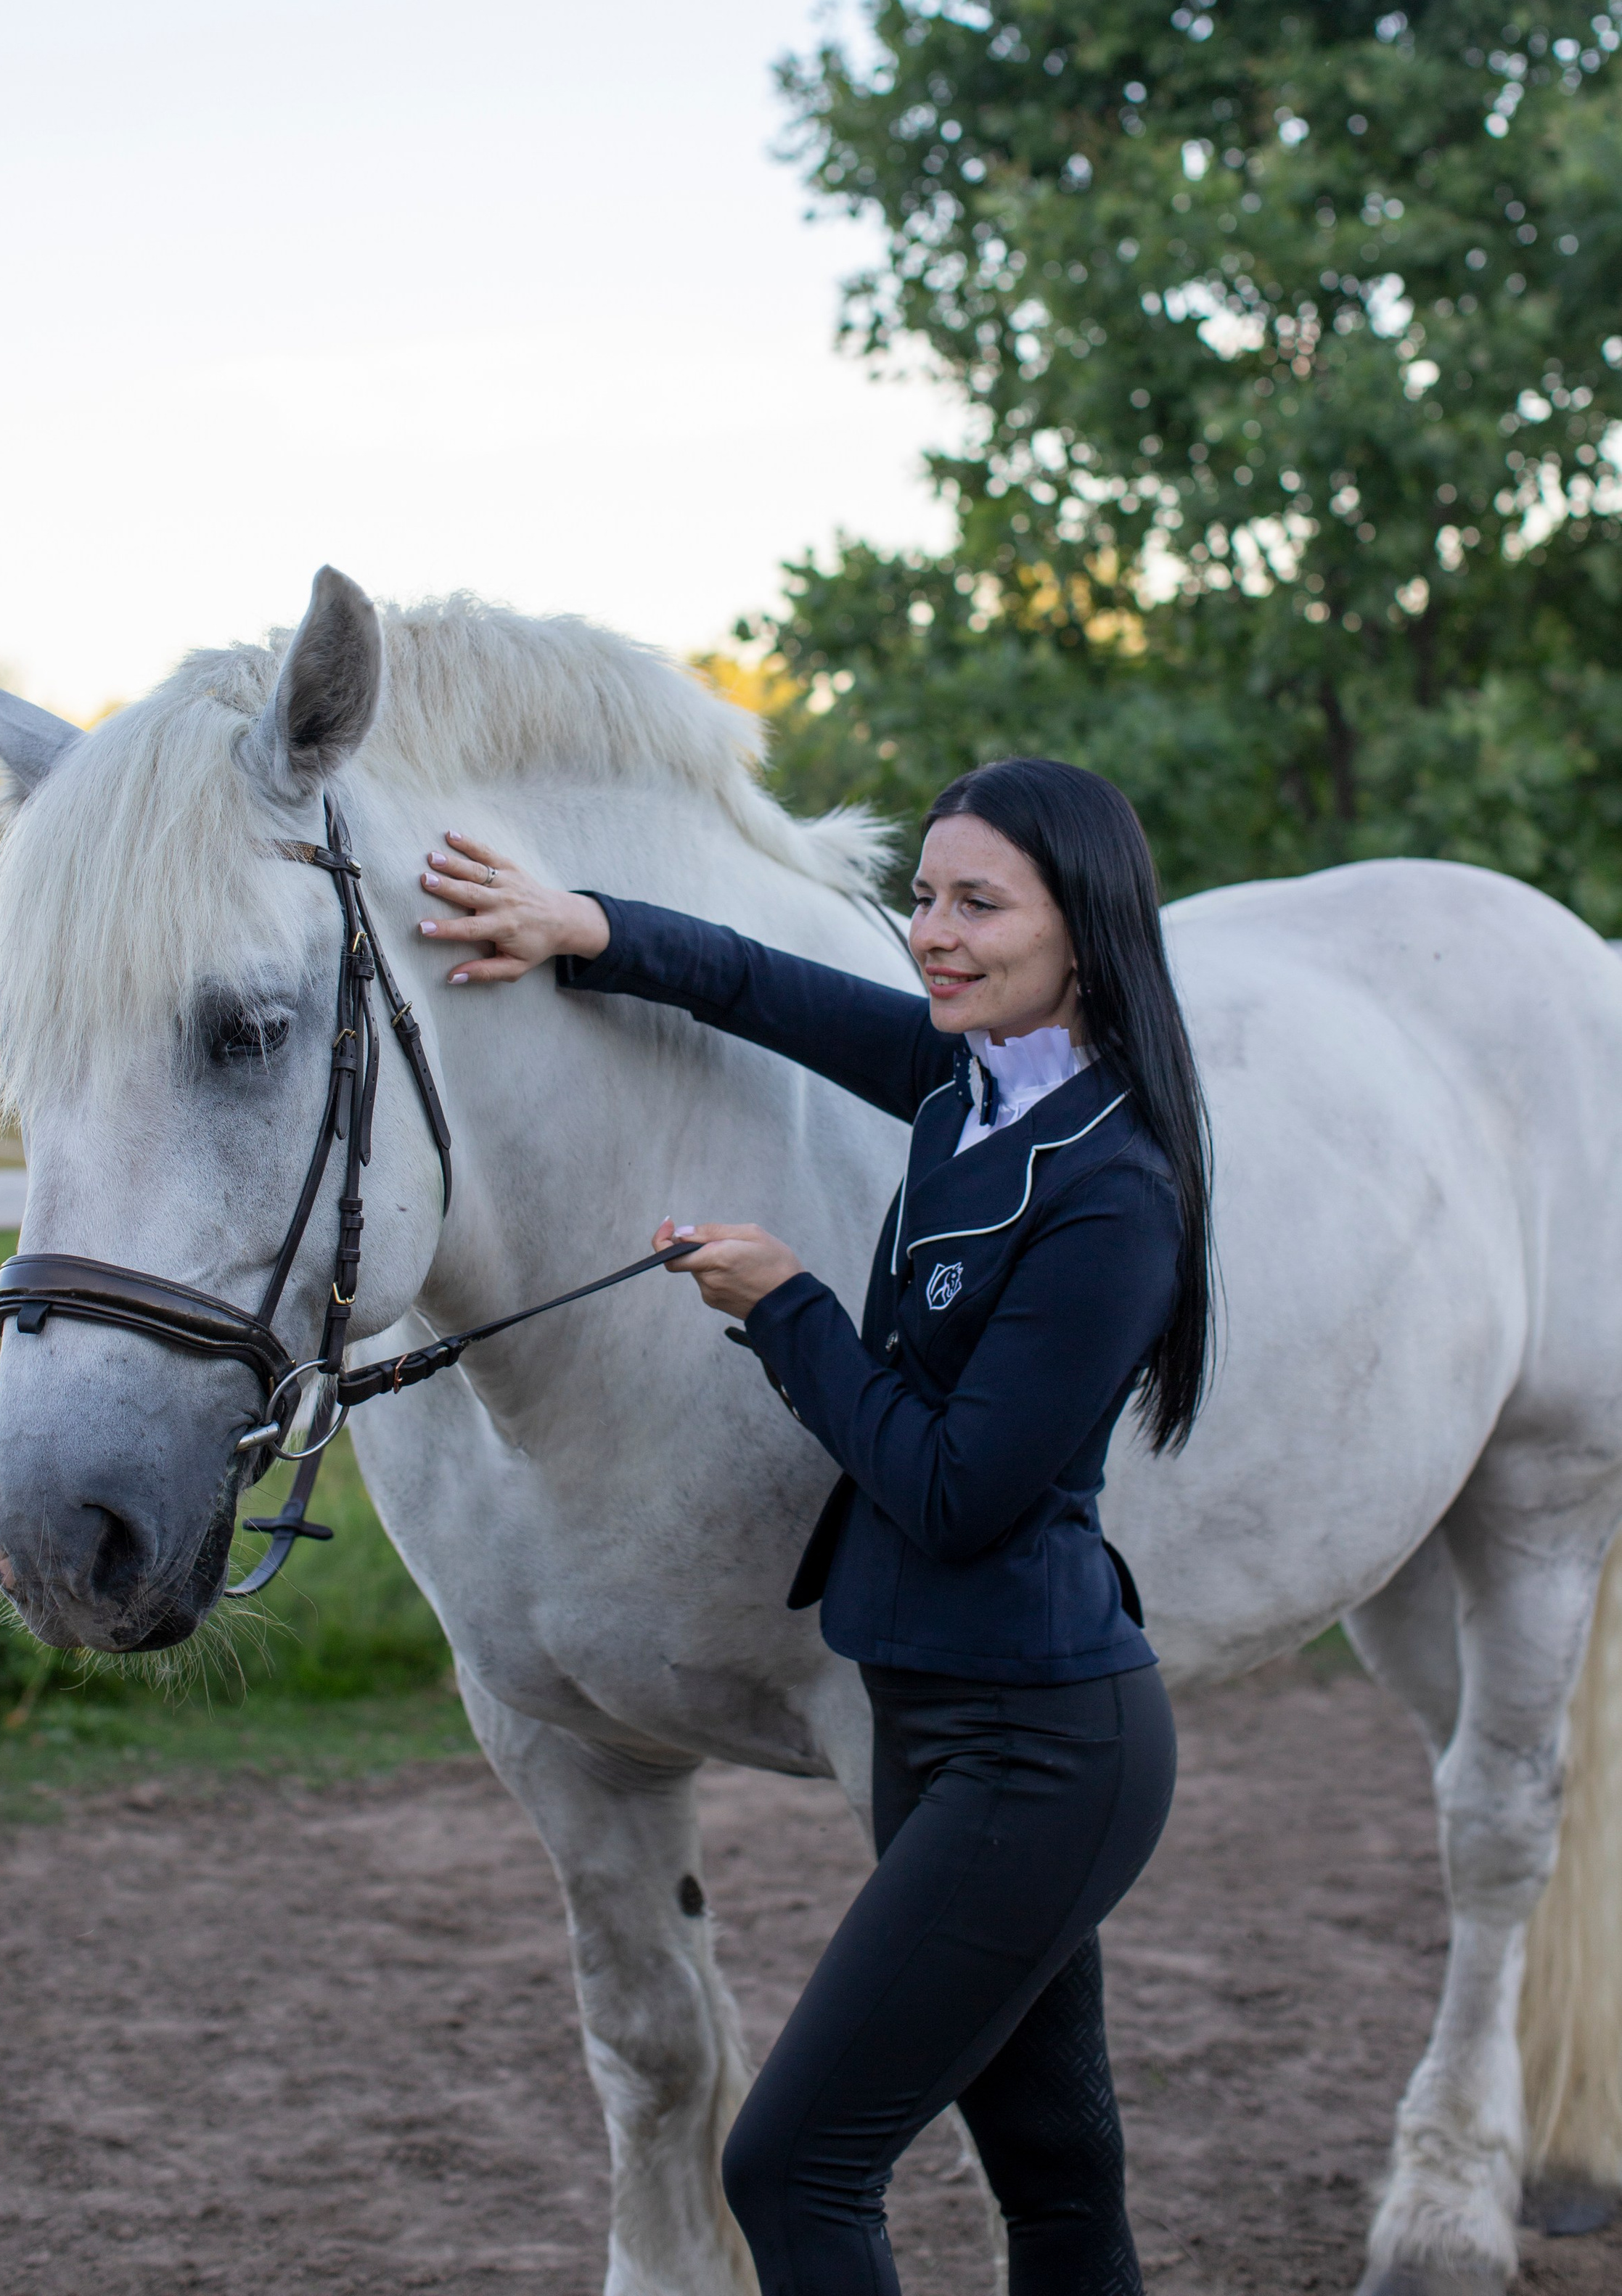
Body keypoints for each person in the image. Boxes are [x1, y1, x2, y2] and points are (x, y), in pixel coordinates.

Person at [412, 757, 1211, 2296]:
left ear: (1084, 931)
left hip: (1041, 1748)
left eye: (978, 904)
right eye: (922, 897)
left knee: (790, 2170)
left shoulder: (1111, 1192)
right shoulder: (968, 1089)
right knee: (1056, 2184)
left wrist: (785, 1311)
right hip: (936, 1718)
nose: (931, 933)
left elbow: (955, 1492)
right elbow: (752, 988)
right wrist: (580, 924)